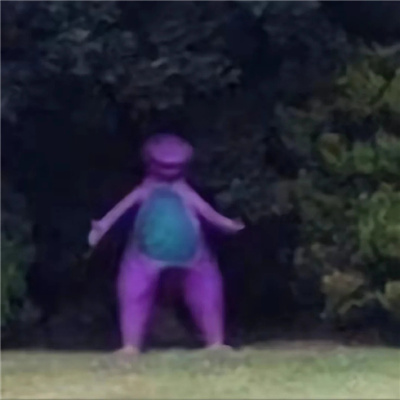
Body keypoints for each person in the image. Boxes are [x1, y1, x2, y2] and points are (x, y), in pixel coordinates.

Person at [88, 133, 244, 355]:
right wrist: (102, 226)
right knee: (134, 291)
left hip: (193, 254)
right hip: (144, 254)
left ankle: (215, 341)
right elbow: (120, 209)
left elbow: (206, 212)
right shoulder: (144, 190)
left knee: (206, 289)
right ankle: (130, 345)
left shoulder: (185, 192)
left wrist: (227, 224)